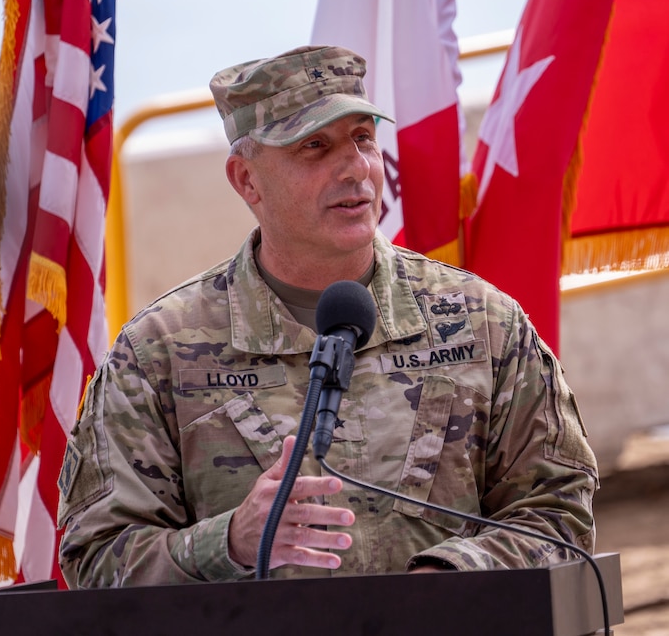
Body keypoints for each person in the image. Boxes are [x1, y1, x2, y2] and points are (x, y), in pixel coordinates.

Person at [57, 45, 598, 588]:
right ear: (247, 180)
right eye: (314, 147)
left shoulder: (482, 323)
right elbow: (95, 560)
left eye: (363, 138)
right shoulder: (159, 354)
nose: (356, 167)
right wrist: (229, 543)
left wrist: (447, 582)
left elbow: (559, 513)